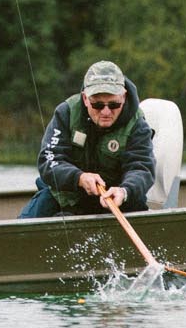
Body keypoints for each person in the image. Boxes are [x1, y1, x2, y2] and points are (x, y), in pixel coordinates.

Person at [18, 60, 155, 219]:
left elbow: (142, 167)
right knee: (25, 223)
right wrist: (79, 178)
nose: (105, 112)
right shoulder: (66, 113)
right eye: (97, 105)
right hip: (68, 195)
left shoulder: (138, 124)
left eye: (114, 105)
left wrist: (124, 191)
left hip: (116, 201)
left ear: (123, 97)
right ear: (85, 99)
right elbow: (49, 160)